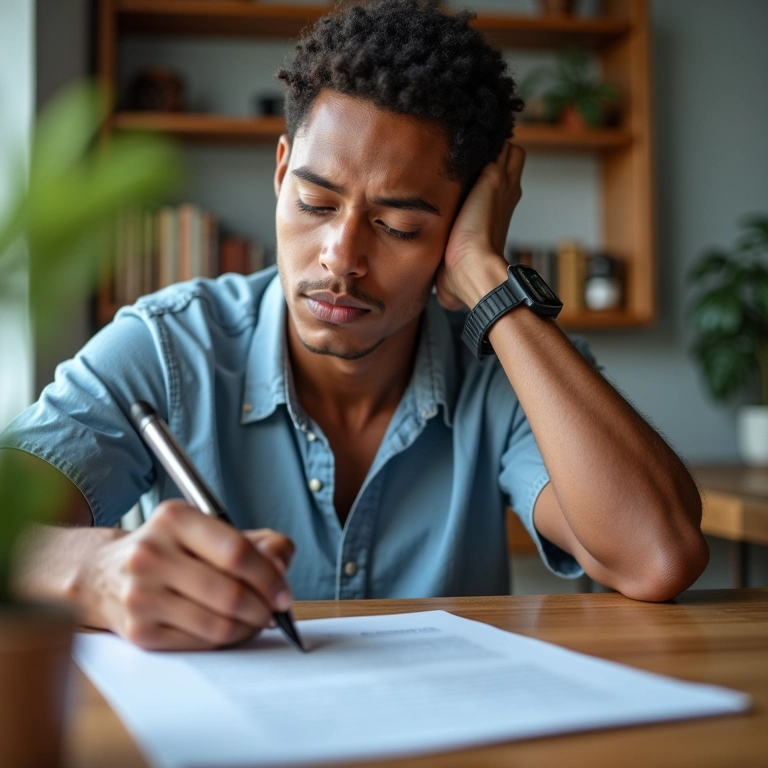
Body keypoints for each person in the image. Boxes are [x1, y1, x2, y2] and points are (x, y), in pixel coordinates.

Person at [0, 0, 708, 650]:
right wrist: (94, 570)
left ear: (463, 222)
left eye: (398, 225)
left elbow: (658, 556)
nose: (341, 260)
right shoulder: (167, 347)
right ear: (280, 173)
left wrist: (489, 281)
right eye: (314, 203)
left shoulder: (506, 368)